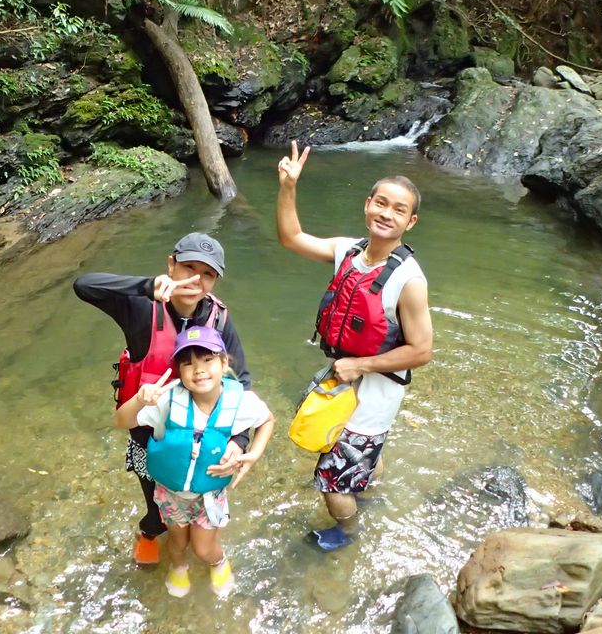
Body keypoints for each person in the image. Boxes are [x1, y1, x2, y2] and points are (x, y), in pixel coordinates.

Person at [276, 141, 434, 551]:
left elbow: (422, 350)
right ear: (367, 205)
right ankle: (367, 482)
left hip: (375, 389)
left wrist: (360, 366)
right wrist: (289, 186)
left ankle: (348, 534)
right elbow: (291, 237)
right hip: (344, 375)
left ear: (410, 222)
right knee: (348, 451)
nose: (387, 214)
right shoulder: (347, 250)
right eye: (381, 203)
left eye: (399, 210)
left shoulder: (409, 281)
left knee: (331, 480)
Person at [73, 232, 254, 566]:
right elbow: (85, 285)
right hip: (147, 433)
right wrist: (145, 286)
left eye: (208, 274)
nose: (195, 280)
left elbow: (240, 380)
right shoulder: (142, 308)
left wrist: (240, 441)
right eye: (188, 267)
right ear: (171, 265)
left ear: (215, 281)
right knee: (156, 501)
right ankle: (149, 530)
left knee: (198, 496)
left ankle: (200, 544)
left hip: (200, 432)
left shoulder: (219, 319)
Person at [114, 326, 275, 598]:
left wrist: (254, 454)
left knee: (203, 547)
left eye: (207, 360)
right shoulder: (168, 400)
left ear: (225, 363)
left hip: (209, 494)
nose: (198, 369)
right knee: (177, 542)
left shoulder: (242, 402)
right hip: (171, 493)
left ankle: (218, 561)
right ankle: (178, 566)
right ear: (179, 371)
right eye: (187, 363)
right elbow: (121, 422)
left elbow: (267, 420)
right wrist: (140, 400)